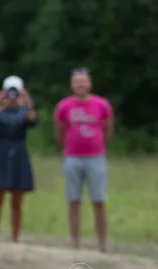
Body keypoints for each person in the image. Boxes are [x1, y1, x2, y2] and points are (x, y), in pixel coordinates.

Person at [55, 67, 112, 252]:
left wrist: (99, 145)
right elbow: (60, 130)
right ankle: (75, 241)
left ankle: (102, 242)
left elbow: (108, 129)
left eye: (83, 81)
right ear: (72, 84)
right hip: (72, 156)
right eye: (77, 81)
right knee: (73, 200)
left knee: (98, 200)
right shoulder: (64, 106)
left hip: (95, 157)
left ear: (90, 83)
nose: (80, 84)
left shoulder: (101, 104)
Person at [0, 76, 37, 243]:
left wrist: (27, 100)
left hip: (19, 152)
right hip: (2, 151)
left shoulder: (24, 112)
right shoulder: (0, 112)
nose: (12, 95)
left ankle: (15, 237)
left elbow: (32, 120)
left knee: (17, 199)